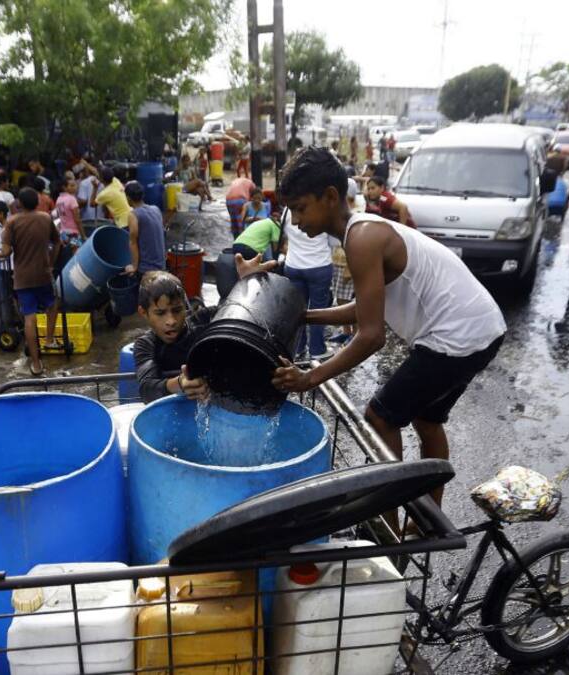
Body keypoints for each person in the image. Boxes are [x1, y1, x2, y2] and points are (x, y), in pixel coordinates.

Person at [242, 148, 506, 522]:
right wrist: (303, 317)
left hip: (457, 336)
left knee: (380, 417)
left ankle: (390, 519)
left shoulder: (362, 238)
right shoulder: (361, 231)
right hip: (482, 329)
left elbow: (370, 335)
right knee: (427, 421)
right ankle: (428, 518)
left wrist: (309, 378)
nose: (296, 221)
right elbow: (367, 306)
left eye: (301, 208)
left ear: (331, 197)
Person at [0, 188, 61, 376]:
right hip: (43, 274)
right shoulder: (46, 218)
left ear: (19, 205)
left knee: (29, 319)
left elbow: (6, 253)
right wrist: (51, 263)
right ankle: (49, 339)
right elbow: (58, 243)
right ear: (37, 202)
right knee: (53, 305)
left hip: (23, 278)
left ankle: (36, 364)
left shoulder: (13, 223)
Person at [132, 271, 212, 404]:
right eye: (160, 313)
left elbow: (238, 308)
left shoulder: (202, 322)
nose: (171, 321)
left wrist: (247, 279)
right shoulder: (146, 344)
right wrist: (180, 383)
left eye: (177, 310)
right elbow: (147, 390)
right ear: (144, 313)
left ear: (185, 307)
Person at [282, 213, 334, 360]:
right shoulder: (321, 210)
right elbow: (334, 241)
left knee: (297, 309)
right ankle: (317, 349)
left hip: (293, 265)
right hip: (319, 265)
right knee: (318, 310)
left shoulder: (287, 210)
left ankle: (298, 348)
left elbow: (286, 234)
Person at [125, 181, 166, 276]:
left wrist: (134, 267)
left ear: (128, 198)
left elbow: (133, 243)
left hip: (147, 270)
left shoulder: (133, 215)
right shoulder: (156, 209)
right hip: (162, 266)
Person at [55, 179, 85, 244]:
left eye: (74, 185)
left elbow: (59, 216)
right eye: (71, 186)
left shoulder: (58, 199)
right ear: (65, 187)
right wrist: (83, 236)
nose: (74, 187)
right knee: (76, 253)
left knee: (68, 253)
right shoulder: (72, 199)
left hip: (63, 232)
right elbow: (77, 219)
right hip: (73, 233)